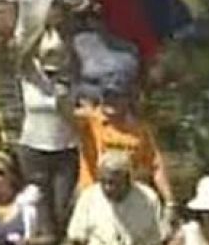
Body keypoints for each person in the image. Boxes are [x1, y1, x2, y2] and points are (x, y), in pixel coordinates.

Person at [74, 75, 175, 211]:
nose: (110, 101)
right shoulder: (90, 120)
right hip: (93, 196)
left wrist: (169, 201)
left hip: (126, 199)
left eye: (116, 96)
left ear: (127, 99)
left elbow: (156, 166)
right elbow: (65, 113)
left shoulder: (139, 131)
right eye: (107, 95)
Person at [17, 29, 78, 236]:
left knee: (61, 207)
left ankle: (55, 244)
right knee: (38, 204)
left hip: (65, 149)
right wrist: (41, 27)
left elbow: (74, 118)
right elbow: (22, 54)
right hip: (33, 147)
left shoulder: (71, 79)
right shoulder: (30, 76)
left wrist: (64, 101)